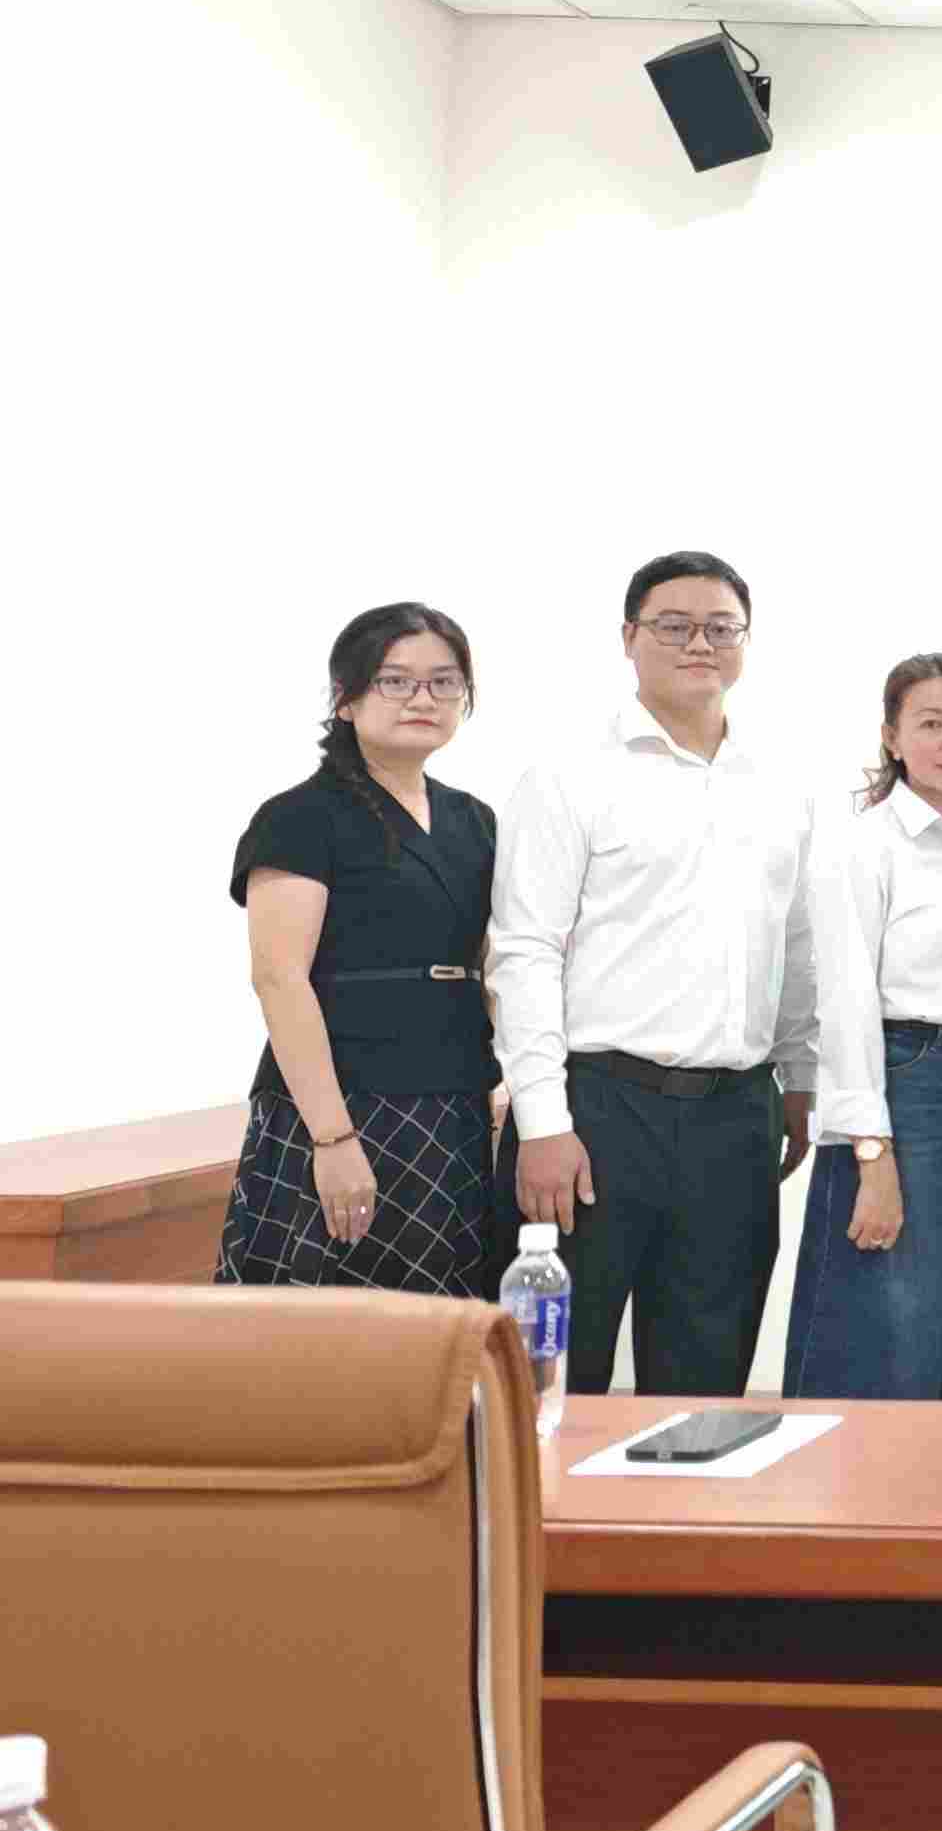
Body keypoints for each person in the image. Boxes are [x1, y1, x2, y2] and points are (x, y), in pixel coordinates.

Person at [491, 552, 821, 1398]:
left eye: (721, 628)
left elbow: (794, 944)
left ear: (746, 642)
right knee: (553, 1378)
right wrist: (541, 1121)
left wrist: (799, 1079)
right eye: (674, 626)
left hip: (735, 1117)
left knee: (706, 1385)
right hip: (597, 1112)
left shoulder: (781, 784)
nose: (699, 644)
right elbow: (525, 952)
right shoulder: (570, 774)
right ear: (629, 638)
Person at [220, 604, 500, 1293]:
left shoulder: (474, 819)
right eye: (395, 681)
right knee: (318, 1325)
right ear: (345, 699)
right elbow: (279, 979)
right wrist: (332, 1139)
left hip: (454, 1097)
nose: (423, 699)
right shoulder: (299, 816)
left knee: (444, 1323)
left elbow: (493, 964)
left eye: (444, 682)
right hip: (343, 1104)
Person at [783, 655, 942, 1402]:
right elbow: (846, 1005)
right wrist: (872, 1154)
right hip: (908, 1084)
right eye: (931, 723)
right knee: (886, 1320)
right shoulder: (864, 844)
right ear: (892, 738)